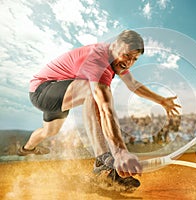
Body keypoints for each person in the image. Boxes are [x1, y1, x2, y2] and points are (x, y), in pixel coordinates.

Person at [17, 30, 181, 191]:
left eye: (134, 59)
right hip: (43, 91)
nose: (129, 62)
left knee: (50, 131)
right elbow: (104, 108)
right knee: (93, 90)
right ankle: (102, 161)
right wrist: (120, 152)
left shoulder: (116, 59)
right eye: (126, 55)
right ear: (115, 46)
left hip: (61, 94)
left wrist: (161, 100)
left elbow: (133, 84)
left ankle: (27, 148)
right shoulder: (97, 61)